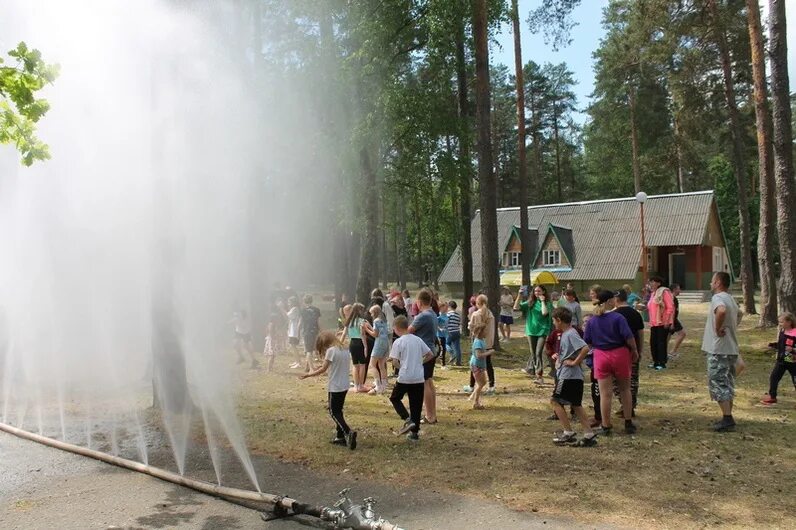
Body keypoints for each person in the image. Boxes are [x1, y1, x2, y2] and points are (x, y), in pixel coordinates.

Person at [584, 290, 639, 435]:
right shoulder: (618, 318)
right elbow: (629, 337)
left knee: (605, 394)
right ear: (609, 301)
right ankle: (628, 422)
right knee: (624, 389)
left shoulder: (592, 320)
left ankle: (606, 425)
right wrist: (634, 350)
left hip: (601, 355)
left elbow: (587, 342)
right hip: (620, 354)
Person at [299, 331, 357, 450]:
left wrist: (309, 375)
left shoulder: (331, 351)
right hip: (344, 385)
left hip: (335, 386)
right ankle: (339, 437)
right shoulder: (345, 349)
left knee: (333, 412)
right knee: (338, 411)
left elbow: (323, 369)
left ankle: (348, 431)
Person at [549, 307, 597, 446]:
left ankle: (567, 432)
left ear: (559, 320)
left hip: (568, 376)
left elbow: (585, 348)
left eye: (554, 320)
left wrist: (575, 362)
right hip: (574, 376)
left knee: (555, 401)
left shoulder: (570, 333)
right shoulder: (566, 333)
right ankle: (589, 434)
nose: (553, 323)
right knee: (576, 404)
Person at [702, 272, 742, 432]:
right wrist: (732, 327)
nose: (710, 284)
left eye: (712, 281)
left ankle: (727, 418)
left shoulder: (718, 298)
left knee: (718, 381)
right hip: (731, 347)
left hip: (719, 349)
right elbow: (740, 313)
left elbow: (722, 311)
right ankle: (728, 415)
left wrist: (718, 329)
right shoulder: (730, 297)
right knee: (728, 382)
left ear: (718, 282)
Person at [389, 315, 433, 441]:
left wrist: (400, 365)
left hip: (404, 377)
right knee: (416, 404)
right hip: (418, 377)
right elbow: (430, 354)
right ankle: (414, 433)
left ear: (396, 328)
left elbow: (395, 361)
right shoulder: (418, 340)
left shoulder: (398, 342)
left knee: (395, 398)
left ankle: (407, 419)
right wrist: (420, 362)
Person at [408, 288, 439, 424]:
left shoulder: (423, 316)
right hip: (431, 351)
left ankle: (430, 416)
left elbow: (408, 331)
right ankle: (432, 414)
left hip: (424, 353)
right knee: (429, 382)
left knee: (425, 383)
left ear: (419, 302)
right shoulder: (432, 314)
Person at [613, 289, 644, 416]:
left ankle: (624, 404)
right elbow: (640, 334)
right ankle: (630, 406)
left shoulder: (613, 315)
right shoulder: (636, 314)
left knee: (616, 381)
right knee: (632, 381)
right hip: (632, 351)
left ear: (616, 299)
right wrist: (639, 350)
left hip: (617, 352)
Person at [515, 285, 554, 385]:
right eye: (535, 291)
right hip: (531, 331)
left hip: (542, 330)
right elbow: (516, 307)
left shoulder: (548, 303)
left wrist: (543, 301)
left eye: (539, 291)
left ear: (544, 292)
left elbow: (544, 313)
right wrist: (519, 295)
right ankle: (534, 370)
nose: (537, 293)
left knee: (538, 352)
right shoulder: (530, 302)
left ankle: (539, 376)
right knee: (533, 353)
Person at [760, 313, 796, 405]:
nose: (780, 324)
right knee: (774, 377)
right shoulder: (782, 332)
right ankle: (772, 397)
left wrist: (793, 349)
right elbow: (781, 345)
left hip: (792, 361)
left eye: (781, 322)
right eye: (779, 322)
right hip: (781, 360)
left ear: (789, 322)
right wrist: (773, 345)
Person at [465, 294, 496, 395]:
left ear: (478, 303)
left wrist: (470, 325)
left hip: (478, 342)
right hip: (488, 342)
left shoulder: (476, 314)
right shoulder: (490, 314)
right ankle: (491, 386)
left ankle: (471, 386)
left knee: (474, 363)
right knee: (488, 364)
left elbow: (473, 328)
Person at [342, 303, 372, 393]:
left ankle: (356, 386)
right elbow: (362, 335)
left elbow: (344, 334)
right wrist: (366, 347)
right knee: (362, 365)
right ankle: (361, 385)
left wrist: (340, 343)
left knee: (355, 365)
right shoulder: (362, 321)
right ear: (359, 311)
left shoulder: (349, 321)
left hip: (352, 343)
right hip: (360, 343)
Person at [647, 276, 675, 370]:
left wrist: (667, 320)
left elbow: (670, 307)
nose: (650, 284)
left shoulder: (664, 292)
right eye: (650, 282)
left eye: (652, 282)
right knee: (653, 343)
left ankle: (662, 362)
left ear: (658, 283)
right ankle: (655, 361)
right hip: (653, 322)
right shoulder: (653, 293)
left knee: (661, 343)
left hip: (662, 322)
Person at [468, 310, 490, 409]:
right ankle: (476, 403)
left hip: (479, 365)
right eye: (485, 330)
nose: (487, 332)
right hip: (476, 365)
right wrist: (489, 352)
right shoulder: (478, 342)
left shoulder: (482, 340)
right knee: (481, 383)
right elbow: (478, 355)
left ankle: (473, 396)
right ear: (481, 332)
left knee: (482, 382)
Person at [367, 304, 390, 395]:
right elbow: (379, 331)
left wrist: (366, 329)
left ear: (375, 313)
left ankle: (378, 385)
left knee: (372, 364)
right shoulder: (383, 321)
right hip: (385, 343)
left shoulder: (376, 321)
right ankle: (384, 386)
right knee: (381, 365)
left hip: (379, 343)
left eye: (372, 313)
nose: (371, 315)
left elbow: (375, 334)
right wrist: (369, 326)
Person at [300, 294, 321, 373]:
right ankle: (307, 366)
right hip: (315, 331)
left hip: (306, 331)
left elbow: (300, 322)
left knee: (309, 350)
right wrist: (322, 331)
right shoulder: (316, 310)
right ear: (312, 300)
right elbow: (318, 322)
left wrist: (298, 332)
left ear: (304, 301)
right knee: (312, 348)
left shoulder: (303, 310)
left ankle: (311, 369)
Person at [668, 283, 686, 359]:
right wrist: (672, 323)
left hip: (672, 320)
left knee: (667, 337)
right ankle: (673, 352)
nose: (680, 291)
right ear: (674, 289)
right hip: (673, 320)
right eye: (678, 289)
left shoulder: (671, 297)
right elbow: (672, 311)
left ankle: (664, 353)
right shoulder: (672, 298)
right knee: (682, 334)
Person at [286, 297, 303, 369]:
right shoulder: (294, 309)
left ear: (293, 302)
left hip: (294, 331)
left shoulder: (295, 309)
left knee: (294, 346)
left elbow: (287, 315)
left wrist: (281, 308)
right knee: (293, 346)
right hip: (292, 330)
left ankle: (299, 363)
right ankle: (296, 361)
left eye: (289, 302)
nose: (288, 303)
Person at [446, 301, 462, 366]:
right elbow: (458, 324)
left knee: (446, 343)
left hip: (450, 332)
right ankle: (458, 362)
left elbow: (446, 323)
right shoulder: (458, 315)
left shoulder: (448, 314)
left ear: (449, 307)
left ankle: (452, 354)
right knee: (457, 347)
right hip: (457, 332)